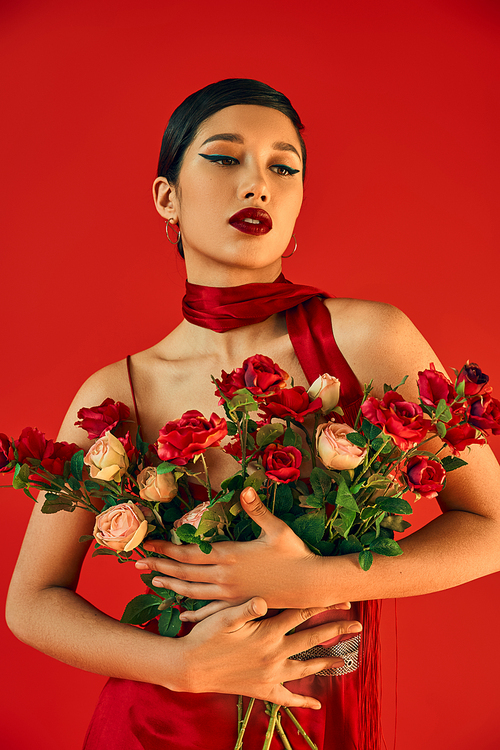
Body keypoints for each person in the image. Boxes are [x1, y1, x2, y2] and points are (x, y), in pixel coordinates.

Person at [6, 79, 500, 750]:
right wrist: (177, 664)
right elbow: (30, 602)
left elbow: (493, 525)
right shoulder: (118, 393)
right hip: (156, 726)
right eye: (224, 157)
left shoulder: (370, 340)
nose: (258, 184)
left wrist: (318, 578)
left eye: (283, 167)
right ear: (166, 198)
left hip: (321, 714)